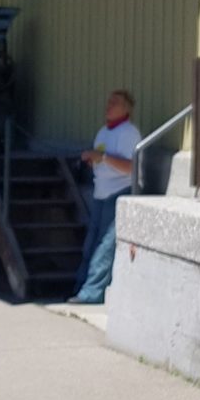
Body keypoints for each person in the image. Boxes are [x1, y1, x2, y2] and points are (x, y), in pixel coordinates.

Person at [71, 88, 141, 305]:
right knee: (91, 242)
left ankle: (92, 292)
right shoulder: (103, 131)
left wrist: (102, 157)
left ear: (126, 109)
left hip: (118, 192)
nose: (108, 105)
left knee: (105, 245)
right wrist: (93, 160)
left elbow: (131, 167)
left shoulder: (128, 133)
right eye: (108, 101)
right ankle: (81, 285)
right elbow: (104, 159)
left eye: (114, 102)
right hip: (100, 193)